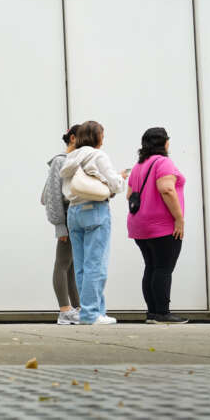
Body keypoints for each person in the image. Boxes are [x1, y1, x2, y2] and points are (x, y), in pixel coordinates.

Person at [60, 121, 129, 325]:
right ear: (97, 137)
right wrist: (121, 177)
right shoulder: (98, 155)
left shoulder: (70, 157)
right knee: (96, 265)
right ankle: (92, 314)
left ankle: (92, 311)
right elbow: (115, 185)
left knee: (81, 266)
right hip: (95, 210)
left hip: (74, 211)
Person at [126, 127, 188, 324]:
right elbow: (167, 189)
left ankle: (152, 312)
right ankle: (162, 312)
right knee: (163, 268)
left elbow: (129, 195)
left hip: (139, 226)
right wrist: (179, 219)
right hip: (161, 225)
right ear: (165, 143)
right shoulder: (163, 163)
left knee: (151, 267)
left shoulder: (138, 166)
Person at [43, 126, 81, 325]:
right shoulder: (60, 160)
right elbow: (53, 197)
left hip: (74, 219)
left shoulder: (76, 160)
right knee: (63, 263)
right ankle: (65, 310)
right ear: (72, 138)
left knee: (72, 266)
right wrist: (59, 225)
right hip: (66, 219)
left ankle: (76, 308)